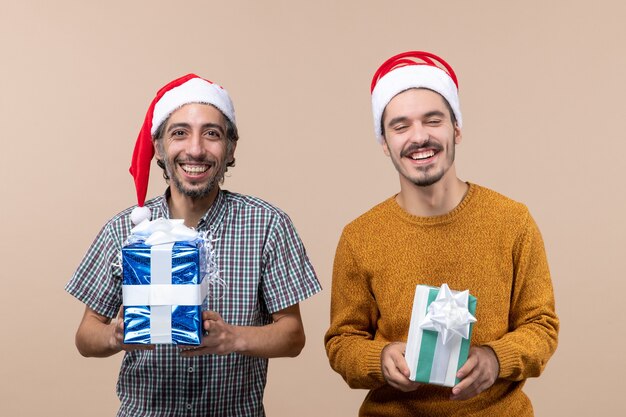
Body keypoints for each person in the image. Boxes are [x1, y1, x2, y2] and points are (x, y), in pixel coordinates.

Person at [66, 74, 321, 416]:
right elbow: (86, 336)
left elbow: (293, 336)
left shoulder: (268, 225)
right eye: (180, 132)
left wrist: (233, 338)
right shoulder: (125, 229)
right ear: (158, 147)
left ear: (230, 148)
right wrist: (115, 336)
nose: (196, 149)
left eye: (212, 134)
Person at [324, 51, 559, 416]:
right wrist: (380, 358)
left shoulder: (512, 221)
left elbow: (541, 326)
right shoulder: (360, 237)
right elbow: (342, 342)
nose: (419, 137)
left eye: (432, 120)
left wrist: (496, 359)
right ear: (385, 143)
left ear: (457, 129)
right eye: (400, 126)